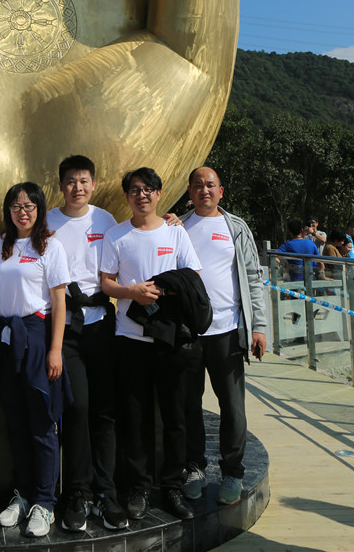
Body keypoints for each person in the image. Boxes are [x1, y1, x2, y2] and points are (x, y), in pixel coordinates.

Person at [100, 167, 204, 522]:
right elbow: (106, 283)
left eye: (148, 189)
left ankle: (172, 486)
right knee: (135, 416)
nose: (141, 195)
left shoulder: (175, 232)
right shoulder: (116, 235)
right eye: (135, 190)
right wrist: (132, 292)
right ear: (127, 196)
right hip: (130, 338)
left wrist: (161, 288)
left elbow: (193, 276)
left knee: (174, 416)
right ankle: (138, 487)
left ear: (159, 194)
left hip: (170, 338)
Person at [46, 155, 126, 531]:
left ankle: (105, 492)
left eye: (83, 181)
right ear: (60, 185)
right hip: (65, 328)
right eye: (70, 182)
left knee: (104, 411)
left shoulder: (105, 221)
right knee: (77, 408)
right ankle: (76, 491)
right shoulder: (47, 222)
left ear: (93, 184)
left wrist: (173, 221)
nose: (77, 188)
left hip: (101, 325)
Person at [180, 167, 268, 507]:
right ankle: (195, 468)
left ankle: (232, 472)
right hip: (189, 332)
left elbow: (253, 278)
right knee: (189, 404)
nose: (205, 190)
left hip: (227, 331)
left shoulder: (236, 228)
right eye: (198, 185)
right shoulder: (178, 228)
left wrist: (258, 327)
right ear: (190, 191)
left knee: (232, 407)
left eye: (210, 185)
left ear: (221, 191)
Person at [0, 182, 70, 538]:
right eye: (16, 206)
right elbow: (0, 286)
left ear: (39, 210)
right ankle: (23, 494)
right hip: (8, 337)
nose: (22, 212)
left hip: (37, 336)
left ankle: (45, 502)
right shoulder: (1, 244)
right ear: (8, 211)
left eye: (29, 206)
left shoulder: (50, 246)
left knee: (41, 424)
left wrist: (55, 349)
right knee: (16, 422)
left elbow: (59, 301)